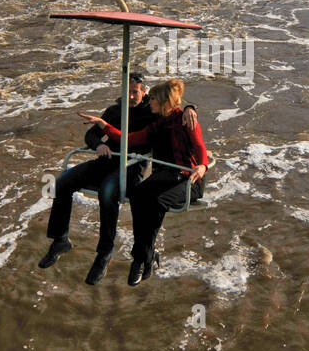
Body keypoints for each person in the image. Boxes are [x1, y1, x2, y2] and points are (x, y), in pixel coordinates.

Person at [38, 72, 197, 285]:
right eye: (127, 91)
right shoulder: (114, 111)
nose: (131, 96)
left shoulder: (153, 112)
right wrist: (99, 145)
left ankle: (104, 253)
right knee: (62, 182)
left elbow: (173, 108)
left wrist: (190, 107)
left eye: (134, 92)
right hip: (106, 160)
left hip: (131, 168)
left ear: (144, 92)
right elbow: (92, 134)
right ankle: (60, 240)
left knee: (108, 192)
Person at [79, 78, 211, 286]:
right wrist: (104, 125)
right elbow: (129, 139)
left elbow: (200, 146)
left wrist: (202, 166)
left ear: (163, 102)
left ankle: (141, 258)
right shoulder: (158, 124)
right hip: (166, 176)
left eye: (153, 101)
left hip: (189, 179)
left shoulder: (186, 119)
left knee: (156, 202)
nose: (149, 104)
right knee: (138, 195)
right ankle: (147, 256)